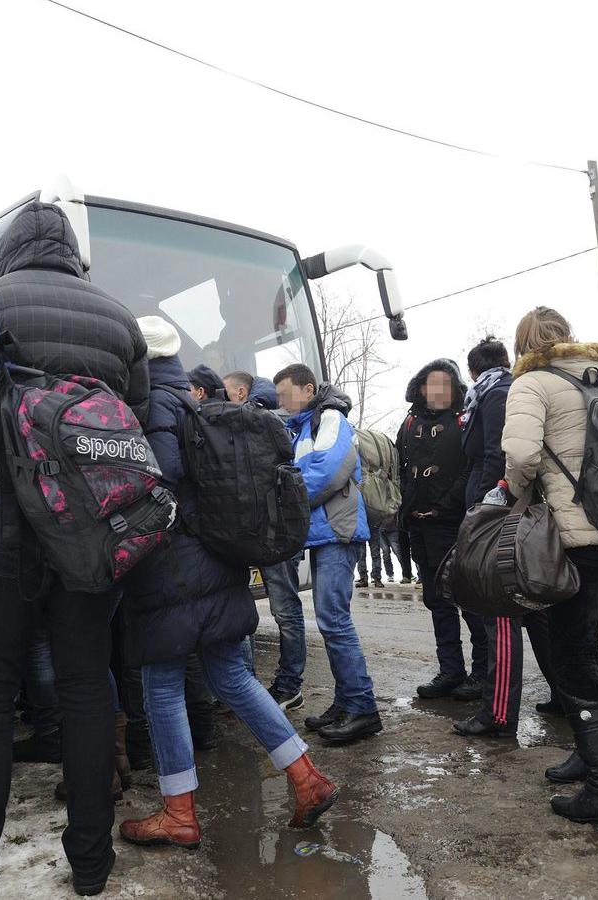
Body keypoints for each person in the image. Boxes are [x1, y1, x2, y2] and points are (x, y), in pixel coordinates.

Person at [0, 201, 149, 899]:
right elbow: (127, 427)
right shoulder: (118, 318)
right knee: (84, 686)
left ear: (7, 252)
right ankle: (92, 863)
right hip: (91, 526)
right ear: (72, 253)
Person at [115, 317, 338, 850]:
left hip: (170, 568)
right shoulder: (194, 402)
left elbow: (161, 479)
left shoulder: (150, 407)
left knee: (161, 684)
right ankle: (307, 777)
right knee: (233, 677)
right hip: (215, 562)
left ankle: (178, 813)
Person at [501, 306, 598, 832]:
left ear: (524, 344)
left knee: (570, 653)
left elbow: (522, 453)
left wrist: (511, 492)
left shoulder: (532, 383)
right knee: (586, 640)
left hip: (573, 536)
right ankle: (588, 753)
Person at [273, 363, 382, 746]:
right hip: (324, 534)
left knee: (334, 620)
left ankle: (363, 709)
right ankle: (346, 702)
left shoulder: (330, 417)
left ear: (307, 389)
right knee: (330, 619)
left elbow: (329, 471)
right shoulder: (303, 425)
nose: (282, 403)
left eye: (286, 395)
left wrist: (287, 495)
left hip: (338, 532)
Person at [461, 335, 563, 718]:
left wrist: (484, 509)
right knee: (535, 609)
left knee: (499, 610)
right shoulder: (509, 389)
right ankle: (563, 695)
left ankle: (498, 714)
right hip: (520, 511)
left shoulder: (495, 394)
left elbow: (497, 454)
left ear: (474, 370)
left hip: (502, 513)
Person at [397, 361, 492, 723]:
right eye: (429, 384)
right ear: (420, 388)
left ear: (454, 389)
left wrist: (449, 503)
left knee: (469, 600)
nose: (436, 391)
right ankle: (450, 669)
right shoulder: (407, 425)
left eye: (443, 384)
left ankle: (482, 672)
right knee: (436, 601)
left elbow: (473, 467)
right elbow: (400, 469)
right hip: (419, 528)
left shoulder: (465, 421)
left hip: (455, 524)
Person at [232, 373, 311, 710]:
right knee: (275, 610)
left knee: (281, 610)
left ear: (243, 393)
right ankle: (265, 685)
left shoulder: (266, 423)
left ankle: (284, 684)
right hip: (269, 532)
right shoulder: (272, 422)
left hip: (269, 531)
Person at [354, 427, 400, 588]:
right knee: (375, 548)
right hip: (374, 513)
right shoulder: (379, 477)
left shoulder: (362, 475)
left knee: (363, 548)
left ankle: (365, 577)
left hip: (362, 513)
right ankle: (377, 577)